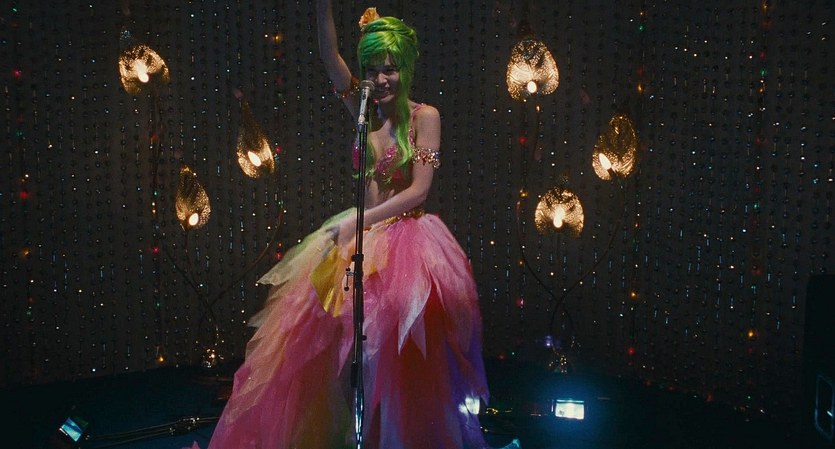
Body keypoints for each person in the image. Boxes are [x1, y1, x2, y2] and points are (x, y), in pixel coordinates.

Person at [199, 2, 493, 448]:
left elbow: (419, 191)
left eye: (389, 69)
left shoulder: (424, 116)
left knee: (391, 353)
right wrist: (323, 8)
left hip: (407, 242)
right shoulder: (364, 111)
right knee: (333, 345)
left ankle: (393, 437)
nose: (381, 79)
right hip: (362, 238)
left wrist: (359, 222)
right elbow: (328, 56)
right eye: (372, 70)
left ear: (406, 67)